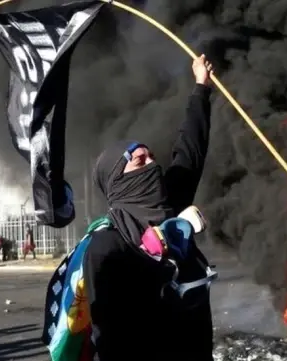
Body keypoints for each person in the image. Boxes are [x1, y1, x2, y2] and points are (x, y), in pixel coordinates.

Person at [82, 55, 215, 361]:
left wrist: (201, 88)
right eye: (141, 161)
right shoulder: (107, 246)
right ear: (118, 181)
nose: (153, 165)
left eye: (152, 157)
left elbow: (190, 150)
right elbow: (106, 336)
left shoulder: (172, 206)